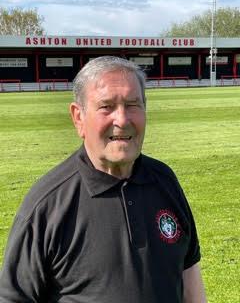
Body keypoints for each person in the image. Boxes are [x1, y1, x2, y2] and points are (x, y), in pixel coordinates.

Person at [0, 56, 207, 302]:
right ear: (78, 118)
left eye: (133, 105)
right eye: (106, 106)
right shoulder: (47, 206)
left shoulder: (166, 181)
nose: (122, 120)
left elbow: (188, 269)